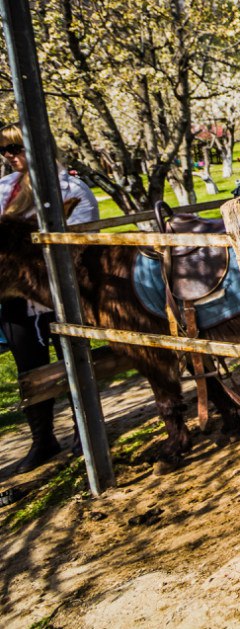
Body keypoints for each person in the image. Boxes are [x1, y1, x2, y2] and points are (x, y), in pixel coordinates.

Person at [0, 125, 99, 472]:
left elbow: (80, 246)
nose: (10, 156)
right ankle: (43, 440)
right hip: (16, 299)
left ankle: (84, 432)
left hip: (60, 293)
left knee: (74, 360)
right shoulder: (3, 190)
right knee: (29, 368)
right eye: (4, 150)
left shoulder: (71, 189)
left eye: (16, 147)